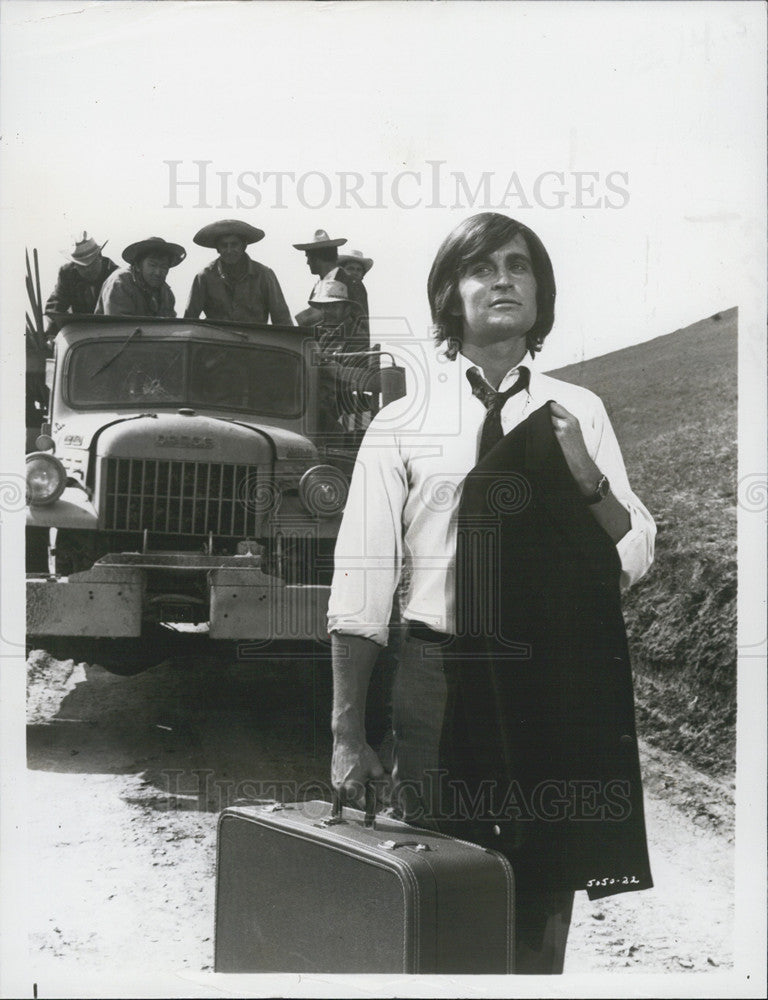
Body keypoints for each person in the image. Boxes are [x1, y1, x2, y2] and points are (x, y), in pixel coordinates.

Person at [328, 212, 656, 974]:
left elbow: (633, 552)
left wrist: (583, 474)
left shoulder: (583, 411)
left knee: (541, 901)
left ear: (541, 294)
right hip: (437, 684)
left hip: (551, 683)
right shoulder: (402, 422)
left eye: (521, 265)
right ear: (451, 294)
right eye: (483, 267)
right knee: (443, 891)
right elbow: (363, 583)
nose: (504, 279)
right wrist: (348, 734)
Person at [184, 219, 292, 325]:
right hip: (216, 340)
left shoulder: (264, 275)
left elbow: (282, 319)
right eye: (224, 245)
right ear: (217, 249)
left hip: (255, 340)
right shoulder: (204, 277)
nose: (229, 250)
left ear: (244, 246)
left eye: (234, 244)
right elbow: (189, 319)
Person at [292, 229, 369, 344]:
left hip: (345, 355)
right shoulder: (317, 286)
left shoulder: (351, 282)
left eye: (308, 257)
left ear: (317, 257)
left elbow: (362, 326)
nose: (307, 262)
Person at [45, 232, 118, 344]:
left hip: (108, 335)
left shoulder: (116, 276)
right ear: (74, 264)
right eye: (81, 266)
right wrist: (51, 334)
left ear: (100, 257)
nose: (87, 270)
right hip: (79, 334)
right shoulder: (67, 274)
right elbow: (56, 305)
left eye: (91, 264)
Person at [95, 237, 185, 317]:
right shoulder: (120, 284)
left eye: (164, 266)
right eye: (152, 265)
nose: (158, 272)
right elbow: (119, 328)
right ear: (138, 266)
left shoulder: (166, 294)